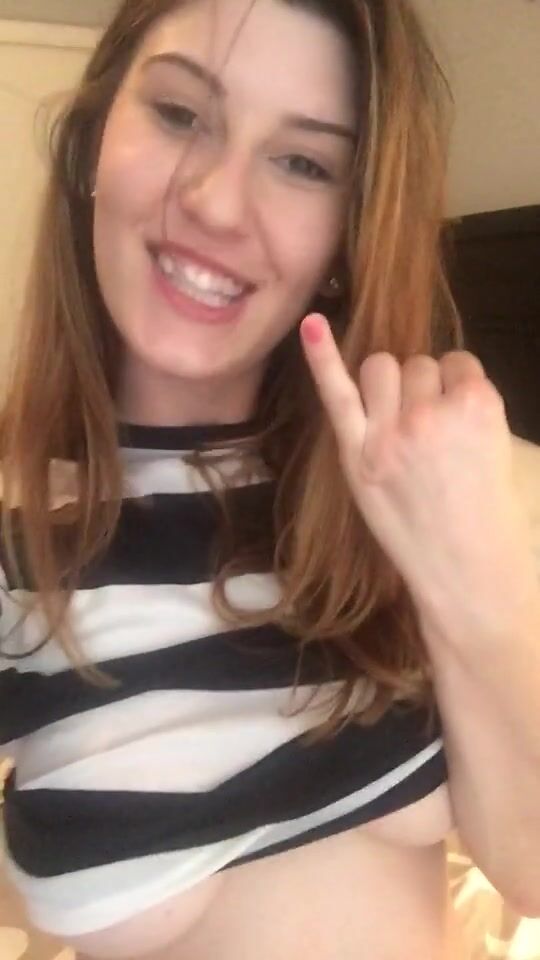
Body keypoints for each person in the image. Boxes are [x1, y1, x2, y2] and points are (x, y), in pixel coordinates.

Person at [1, 1, 539, 958]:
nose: (217, 202)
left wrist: (477, 569)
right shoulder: (18, 525)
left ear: (348, 232)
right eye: (180, 114)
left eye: (303, 163)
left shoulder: (427, 481)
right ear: (91, 145)